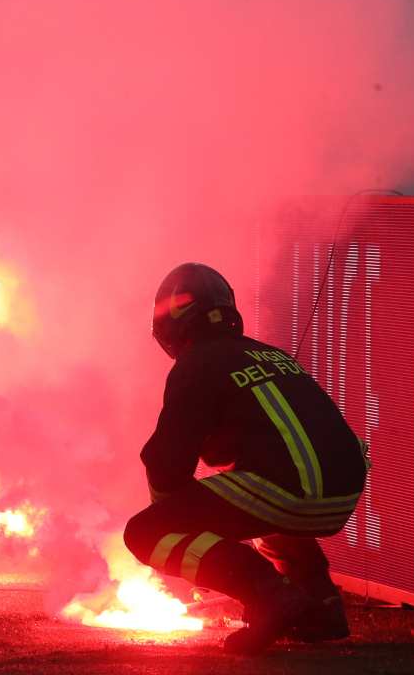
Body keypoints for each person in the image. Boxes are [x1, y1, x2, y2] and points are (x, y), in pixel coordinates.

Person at [123, 262, 368, 655]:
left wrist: (181, 539)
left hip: (288, 488)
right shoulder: (269, 354)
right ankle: (320, 606)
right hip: (343, 493)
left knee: (143, 533)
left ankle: (268, 595)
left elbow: (167, 465)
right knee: (264, 500)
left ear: (171, 324)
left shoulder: (194, 365)